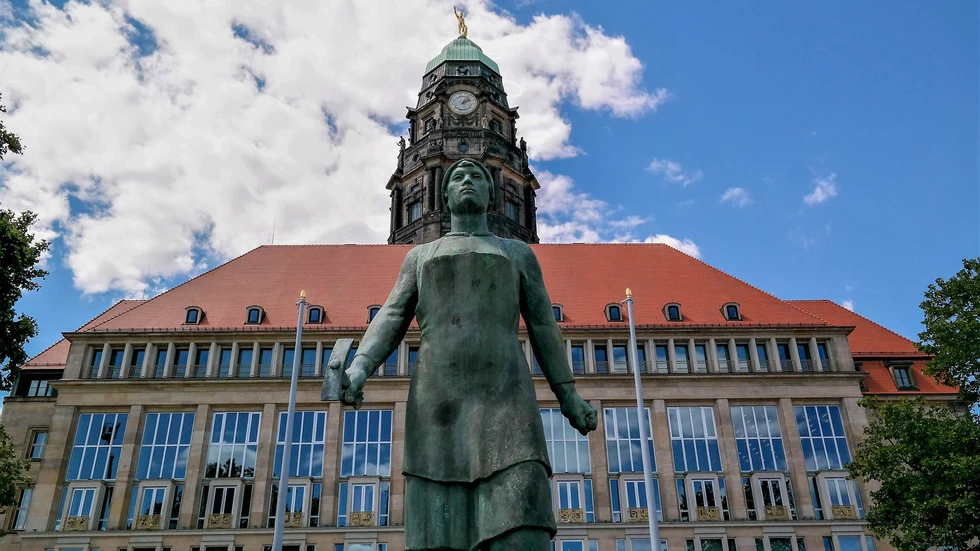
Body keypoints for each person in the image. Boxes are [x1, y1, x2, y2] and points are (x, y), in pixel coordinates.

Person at [340, 158, 597, 550]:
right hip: (438, 403)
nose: (467, 181)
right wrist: (359, 368)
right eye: (457, 176)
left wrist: (569, 395)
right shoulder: (419, 257)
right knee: (437, 536)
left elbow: (544, 326)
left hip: (507, 397)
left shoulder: (517, 253)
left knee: (524, 526)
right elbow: (391, 316)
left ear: (492, 193)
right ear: (443, 194)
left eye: (477, 176)